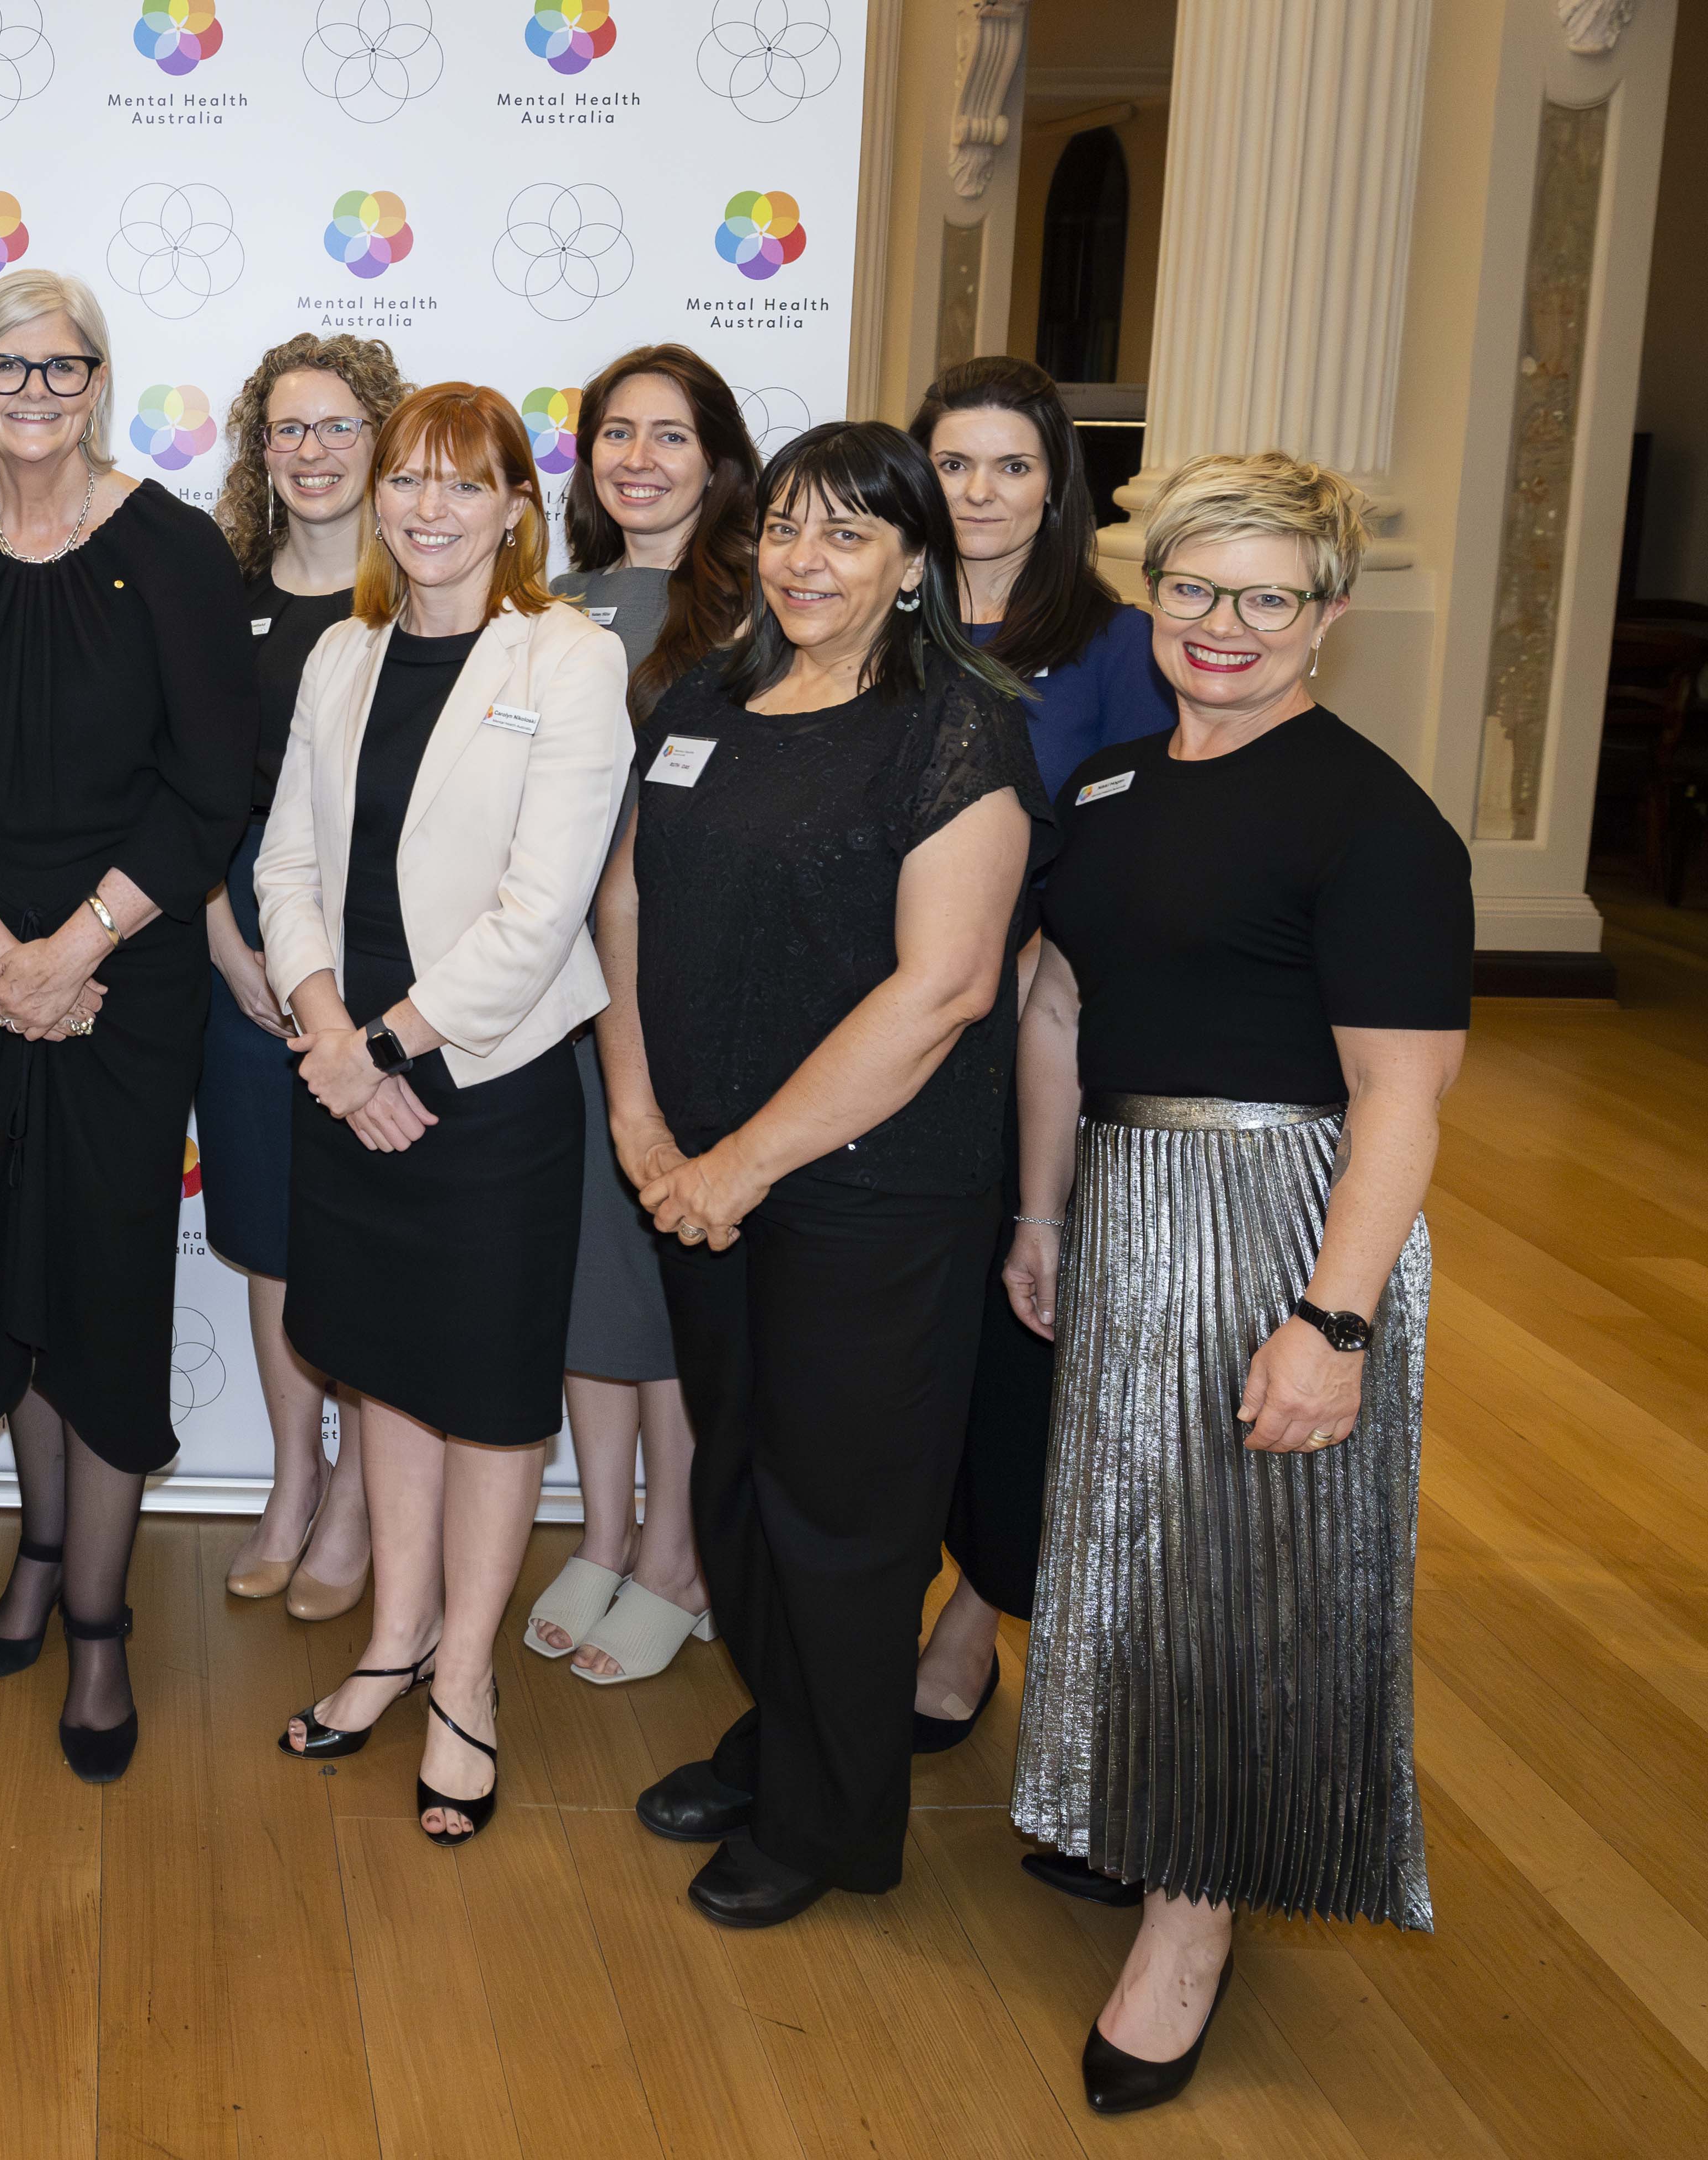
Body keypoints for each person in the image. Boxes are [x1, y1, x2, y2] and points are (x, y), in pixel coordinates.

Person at [1009, 452, 1468, 2113]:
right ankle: (1145, 1822)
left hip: (1280, 1216)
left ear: (1324, 618)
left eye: (1265, 597)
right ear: (1150, 593)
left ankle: (1193, 1921)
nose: (1222, 625)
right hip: (1125, 1207)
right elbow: (1057, 1008)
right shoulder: (1114, 788)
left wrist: (1331, 1322)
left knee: (1244, 1573)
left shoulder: (1369, 815)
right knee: (1132, 1541)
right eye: (1195, 588)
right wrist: (1040, 1214)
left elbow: (1405, 1096)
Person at [612, 422, 1047, 1930]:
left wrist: (737, 1160)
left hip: (867, 1185)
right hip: (695, 1174)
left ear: (915, 561)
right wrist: (639, 1120)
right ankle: (786, 1730)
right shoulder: (707, 697)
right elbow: (625, 905)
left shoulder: (959, 726)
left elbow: (945, 988)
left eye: (849, 535)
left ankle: (832, 1815)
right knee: (731, 1484)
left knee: (840, 1509)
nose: (806, 559)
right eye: (788, 528)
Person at [0, 265, 256, 1783]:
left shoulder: (176, 549)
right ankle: (34, 1547)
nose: (32, 393)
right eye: (2, 370)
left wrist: (72, 946)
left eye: (60, 367)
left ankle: (98, 1622)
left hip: (122, 986)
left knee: (102, 1283)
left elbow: (213, 782)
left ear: (97, 381)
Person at [256, 384, 631, 1846]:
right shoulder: (341, 653)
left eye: (462, 485)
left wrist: (388, 1051)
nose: (426, 507)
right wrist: (326, 1031)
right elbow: (287, 862)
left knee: (482, 1394)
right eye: (405, 478)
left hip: (483, 1090)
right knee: (386, 1371)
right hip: (344, 1071)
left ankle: (466, 1678)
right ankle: (393, 1639)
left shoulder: (571, 656)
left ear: (515, 510)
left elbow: (545, 910)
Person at [903, 356, 1181, 1750]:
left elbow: (1138, 846)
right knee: (905, 1335)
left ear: (1054, 484)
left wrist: (1030, 955)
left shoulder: (1115, 642)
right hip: (879, 1038)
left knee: (1019, 1343)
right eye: (952, 462)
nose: (977, 492)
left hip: (1030, 1036)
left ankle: (975, 1604)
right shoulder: (867, 613)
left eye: (1010, 464)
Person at [524, 344, 758, 1687]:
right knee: (579, 1274)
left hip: (676, 995)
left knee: (666, 1270)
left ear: (717, 461)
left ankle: (677, 1546)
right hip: (539, 993)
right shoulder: (546, 603)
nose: (636, 458)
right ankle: (600, 1529)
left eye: (667, 436)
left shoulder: (754, 609)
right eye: (614, 432)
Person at [203, 332, 409, 1618]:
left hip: (385, 988)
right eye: (287, 428)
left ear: (381, 441)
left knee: (370, 1235)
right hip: (239, 981)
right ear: (256, 450)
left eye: (338, 425)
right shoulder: (213, 601)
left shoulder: (427, 594)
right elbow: (176, 797)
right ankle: (291, 1477)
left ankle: (355, 1504)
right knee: (274, 1237)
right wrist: (228, 951)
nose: (313, 450)